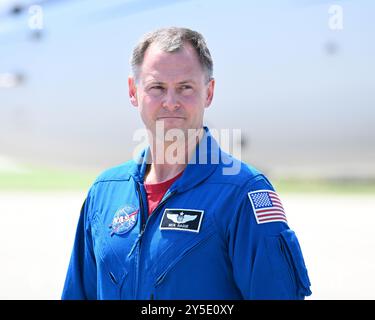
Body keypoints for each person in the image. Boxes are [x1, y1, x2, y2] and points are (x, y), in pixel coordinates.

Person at [61, 27, 312, 300]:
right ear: (133, 91)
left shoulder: (243, 193)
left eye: (185, 88)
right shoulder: (105, 192)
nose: (171, 102)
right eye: (157, 87)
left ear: (209, 92)